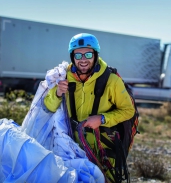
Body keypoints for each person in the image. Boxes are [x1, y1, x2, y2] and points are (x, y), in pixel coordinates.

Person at [44, 33, 135, 182]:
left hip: (103, 149)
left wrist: (102, 118)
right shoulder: (63, 76)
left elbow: (128, 111)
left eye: (88, 54)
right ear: (72, 57)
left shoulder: (111, 80)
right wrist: (58, 93)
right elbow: (48, 107)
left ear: (95, 55)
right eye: (78, 55)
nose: (83, 60)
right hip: (71, 146)